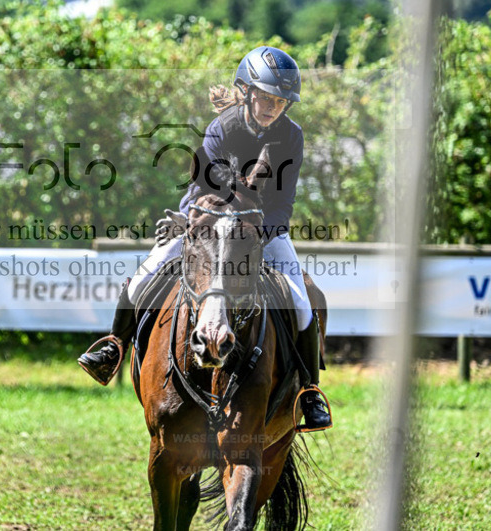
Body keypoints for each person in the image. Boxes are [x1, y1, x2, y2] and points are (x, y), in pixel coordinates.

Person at [78, 46, 332, 432]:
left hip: (263, 229)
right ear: (245, 92)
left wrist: (254, 235)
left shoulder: (291, 137)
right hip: (207, 219)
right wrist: (204, 225)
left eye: (280, 101)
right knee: (146, 274)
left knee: (302, 301)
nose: (271, 107)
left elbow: (283, 202)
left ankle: (309, 392)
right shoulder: (224, 128)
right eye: (265, 97)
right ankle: (113, 346)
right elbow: (202, 191)